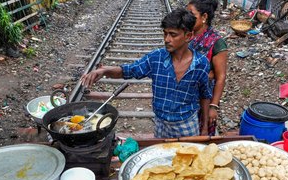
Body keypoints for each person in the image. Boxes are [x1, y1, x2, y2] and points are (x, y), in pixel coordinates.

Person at [80, 9, 211, 138]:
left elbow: (205, 95)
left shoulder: (201, 63)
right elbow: (129, 70)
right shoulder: (156, 58)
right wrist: (105, 71)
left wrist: (204, 127)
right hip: (161, 125)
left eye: (173, 34)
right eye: (165, 34)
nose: (167, 39)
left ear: (188, 36)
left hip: (187, 125)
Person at [186, 0, 228, 136]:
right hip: (184, 98)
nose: (187, 18)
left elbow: (220, 76)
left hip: (203, 98)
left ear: (204, 17)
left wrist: (213, 106)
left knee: (201, 138)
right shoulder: (186, 36)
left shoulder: (216, 42)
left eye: (191, 15)